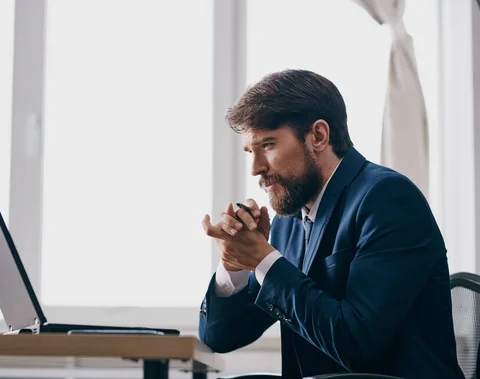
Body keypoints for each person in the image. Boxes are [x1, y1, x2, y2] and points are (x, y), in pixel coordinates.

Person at [199, 69, 464, 379]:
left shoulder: (388, 199)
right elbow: (220, 337)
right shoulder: (289, 220)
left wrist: (263, 259)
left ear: (319, 136)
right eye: (250, 152)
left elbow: (356, 343)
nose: (256, 168)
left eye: (267, 145)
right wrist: (234, 266)